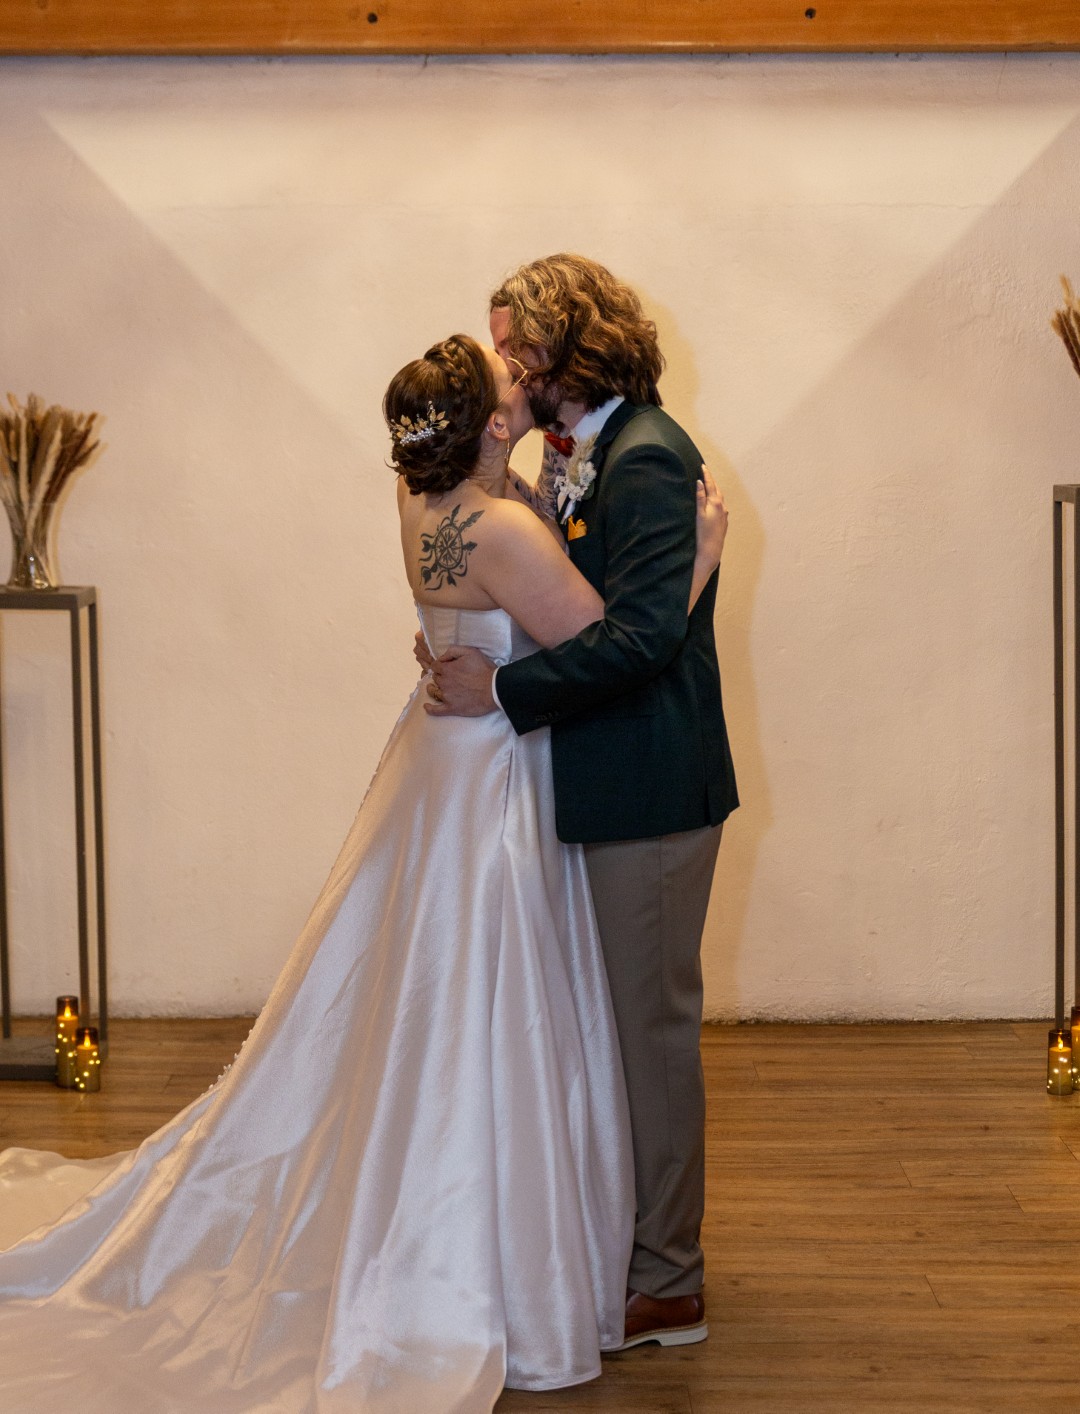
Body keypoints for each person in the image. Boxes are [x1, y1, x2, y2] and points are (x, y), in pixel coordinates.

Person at [0, 333, 726, 1412]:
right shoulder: (507, 528)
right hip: (496, 773)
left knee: (419, 988)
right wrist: (697, 564)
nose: (525, 382)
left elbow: (478, 607)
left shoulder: (421, 501)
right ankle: (488, 1234)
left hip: (435, 760)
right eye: (510, 381)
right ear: (489, 422)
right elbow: (611, 640)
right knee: (493, 998)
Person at [426, 256, 739, 1351]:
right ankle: (626, 1245)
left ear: (571, 346)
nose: (506, 365)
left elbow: (642, 640)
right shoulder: (583, 452)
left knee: (651, 1034)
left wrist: (500, 689)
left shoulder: (645, 456)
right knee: (612, 1033)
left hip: (651, 785)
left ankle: (672, 1280)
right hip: (601, 774)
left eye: (517, 345)